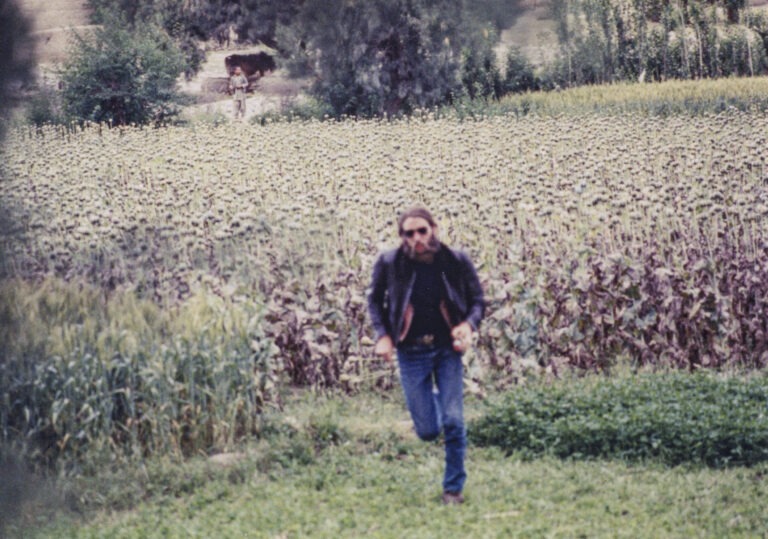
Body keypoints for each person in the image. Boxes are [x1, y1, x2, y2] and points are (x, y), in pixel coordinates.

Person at [367, 206, 485, 505]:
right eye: (409, 233)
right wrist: (383, 335)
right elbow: (374, 300)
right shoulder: (389, 262)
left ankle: (453, 490)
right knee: (429, 431)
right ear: (401, 237)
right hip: (411, 351)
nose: (417, 238)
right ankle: (437, 401)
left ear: (434, 228)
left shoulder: (455, 260)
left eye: (422, 230)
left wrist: (467, 325)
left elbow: (478, 301)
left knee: (455, 421)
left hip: (447, 349)